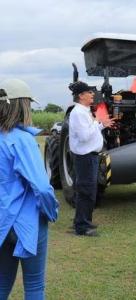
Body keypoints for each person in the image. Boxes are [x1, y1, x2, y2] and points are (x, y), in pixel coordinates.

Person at [0, 79, 59, 299]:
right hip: (27, 222)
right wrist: (52, 211)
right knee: (34, 286)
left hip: (2, 222)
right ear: (21, 105)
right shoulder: (23, 140)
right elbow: (42, 188)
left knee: (2, 283)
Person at [69, 81, 114, 236]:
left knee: (86, 190)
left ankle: (81, 221)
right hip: (86, 157)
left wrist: (102, 125)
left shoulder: (84, 111)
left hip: (88, 157)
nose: (93, 94)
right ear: (81, 96)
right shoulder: (79, 113)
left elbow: (90, 131)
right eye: (89, 92)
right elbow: (84, 136)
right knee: (86, 191)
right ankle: (82, 227)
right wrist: (97, 124)